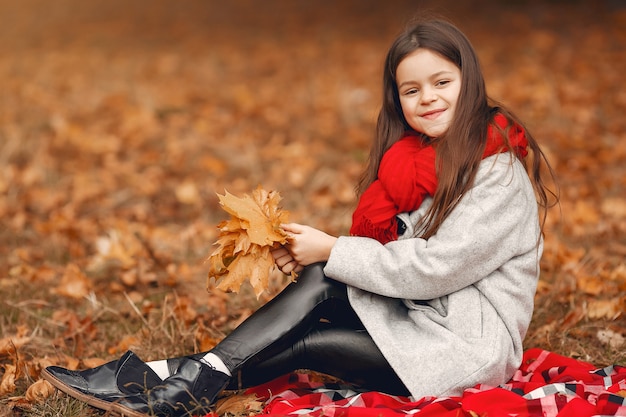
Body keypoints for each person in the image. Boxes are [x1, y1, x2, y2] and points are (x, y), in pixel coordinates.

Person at [41, 18, 556, 417]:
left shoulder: (498, 177)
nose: (428, 98)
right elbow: (399, 257)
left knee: (308, 334)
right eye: (411, 89)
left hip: (465, 348)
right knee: (319, 280)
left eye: (441, 81)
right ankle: (178, 385)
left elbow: (434, 268)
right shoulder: (413, 164)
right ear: (397, 99)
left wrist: (335, 250)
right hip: (422, 319)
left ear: (469, 80)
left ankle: (160, 381)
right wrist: (328, 256)